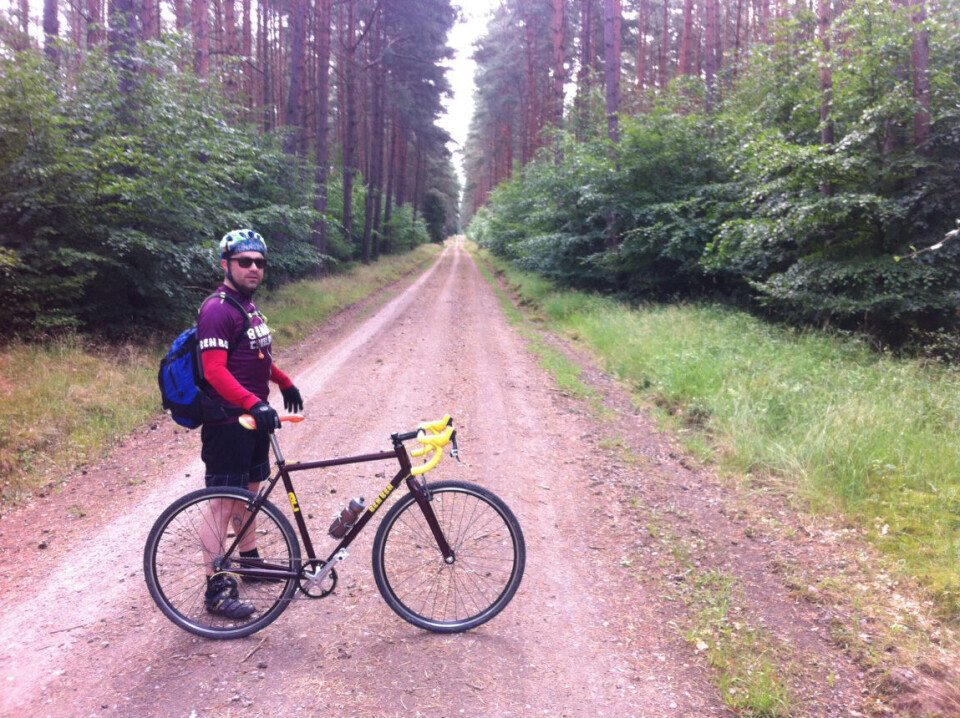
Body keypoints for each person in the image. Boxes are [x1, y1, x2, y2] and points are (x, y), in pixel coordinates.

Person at [197, 229, 304, 619]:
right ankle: (217, 588)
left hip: (252, 418)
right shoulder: (217, 309)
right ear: (226, 264)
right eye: (245, 261)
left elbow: (256, 356)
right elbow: (214, 372)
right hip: (227, 421)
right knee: (224, 505)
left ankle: (250, 560)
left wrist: (283, 379)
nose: (254, 267)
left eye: (259, 261)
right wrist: (253, 402)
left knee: (252, 495)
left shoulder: (247, 306)